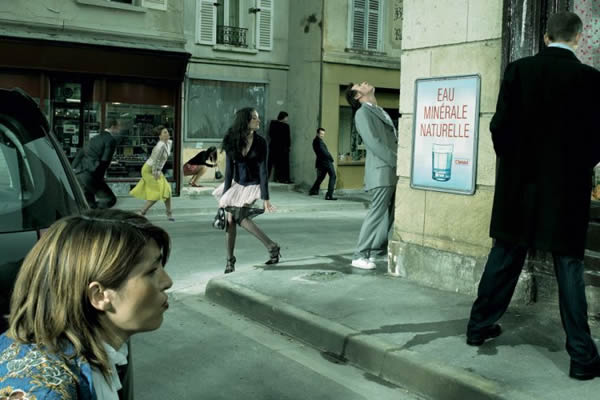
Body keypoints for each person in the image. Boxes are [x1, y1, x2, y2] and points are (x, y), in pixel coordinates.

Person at [465, 12, 600, 381]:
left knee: (504, 255)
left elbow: (499, 127)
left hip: (518, 186)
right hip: (565, 191)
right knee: (569, 266)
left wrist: (514, 166)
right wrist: (576, 168)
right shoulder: (591, 80)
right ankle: (582, 356)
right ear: (578, 37)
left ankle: (478, 327)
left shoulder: (518, 71)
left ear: (545, 36)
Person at [0, 209, 173, 399]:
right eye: (151, 271)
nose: (167, 282)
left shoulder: (88, 353)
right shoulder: (47, 393)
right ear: (99, 295)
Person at [213, 108, 280, 274]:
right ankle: (230, 260)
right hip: (237, 184)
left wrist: (265, 197)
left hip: (253, 185)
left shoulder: (261, 142)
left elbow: (263, 171)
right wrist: (225, 196)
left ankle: (271, 246)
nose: (259, 121)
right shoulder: (231, 139)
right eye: (255, 118)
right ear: (246, 121)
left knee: (239, 216)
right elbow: (229, 171)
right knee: (230, 220)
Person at [345, 81, 398, 270]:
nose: (364, 83)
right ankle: (359, 255)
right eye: (359, 85)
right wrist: (397, 161)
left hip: (390, 170)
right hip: (382, 170)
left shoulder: (377, 110)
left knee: (389, 215)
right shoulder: (362, 113)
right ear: (358, 96)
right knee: (376, 214)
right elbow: (374, 143)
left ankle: (376, 252)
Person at [129, 125, 175, 221]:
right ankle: (141, 212)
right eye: (164, 133)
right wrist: (155, 172)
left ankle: (169, 212)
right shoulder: (159, 146)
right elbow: (155, 160)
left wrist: (158, 171)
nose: (167, 134)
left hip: (157, 169)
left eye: (167, 132)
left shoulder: (169, 143)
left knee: (167, 190)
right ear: (160, 136)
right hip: (149, 170)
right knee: (157, 192)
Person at [72, 119, 119, 209]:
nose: (119, 129)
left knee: (90, 202)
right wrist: (100, 178)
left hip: (80, 173)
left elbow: (81, 153)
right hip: (91, 174)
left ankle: (91, 213)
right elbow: (105, 161)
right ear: (113, 127)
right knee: (109, 199)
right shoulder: (110, 140)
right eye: (118, 127)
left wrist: (73, 168)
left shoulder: (95, 138)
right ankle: (95, 213)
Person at [309, 127, 337, 200]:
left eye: (323, 134)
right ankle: (329, 195)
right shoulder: (318, 142)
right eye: (321, 134)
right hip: (326, 161)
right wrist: (331, 158)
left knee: (321, 177)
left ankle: (313, 190)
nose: (322, 135)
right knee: (333, 176)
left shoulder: (315, 141)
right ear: (317, 133)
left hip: (321, 162)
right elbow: (324, 152)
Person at [267, 111, 292, 183]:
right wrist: (288, 147)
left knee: (271, 163)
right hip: (282, 148)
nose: (287, 119)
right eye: (286, 117)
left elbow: (271, 134)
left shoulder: (273, 124)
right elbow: (288, 138)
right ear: (283, 117)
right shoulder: (286, 126)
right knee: (282, 164)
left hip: (274, 146)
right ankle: (283, 179)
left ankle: (269, 178)